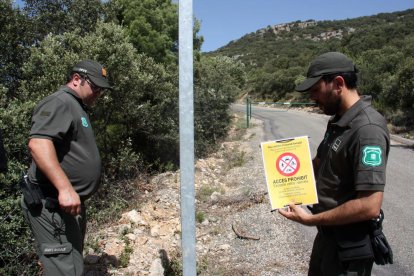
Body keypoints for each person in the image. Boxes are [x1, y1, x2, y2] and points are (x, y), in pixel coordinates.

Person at [279, 52, 389, 275]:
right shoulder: (338, 121)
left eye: (316, 90)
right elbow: (319, 164)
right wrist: (281, 184)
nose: (312, 98)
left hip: (348, 251)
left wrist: (310, 220)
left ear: (338, 84)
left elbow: (369, 206)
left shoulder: (368, 129)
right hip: (327, 237)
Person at [21, 59, 111, 275]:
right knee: (65, 269)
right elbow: (39, 144)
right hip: (51, 204)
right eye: (95, 86)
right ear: (76, 79)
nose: (99, 92)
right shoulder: (59, 102)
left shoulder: (77, 106)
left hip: (67, 206)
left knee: (71, 265)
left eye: (102, 89)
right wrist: (65, 188)